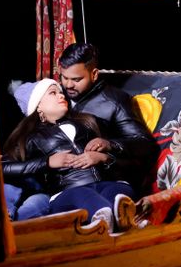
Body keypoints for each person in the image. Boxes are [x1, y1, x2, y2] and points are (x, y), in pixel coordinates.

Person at [1, 78, 138, 232]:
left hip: (107, 181)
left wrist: (106, 156)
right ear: (38, 106)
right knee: (85, 196)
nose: (62, 96)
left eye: (61, 92)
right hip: (68, 191)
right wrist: (47, 162)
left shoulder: (88, 121)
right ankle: (109, 221)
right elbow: (2, 167)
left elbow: (131, 149)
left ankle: (120, 217)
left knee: (117, 192)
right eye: (53, 93)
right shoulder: (30, 137)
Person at [58, 44, 157, 192]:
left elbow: (145, 143)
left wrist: (110, 144)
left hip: (99, 181)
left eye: (76, 79)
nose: (68, 85)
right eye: (64, 77)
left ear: (94, 74)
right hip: (57, 179)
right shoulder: (56, 93)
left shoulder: (114, 101)